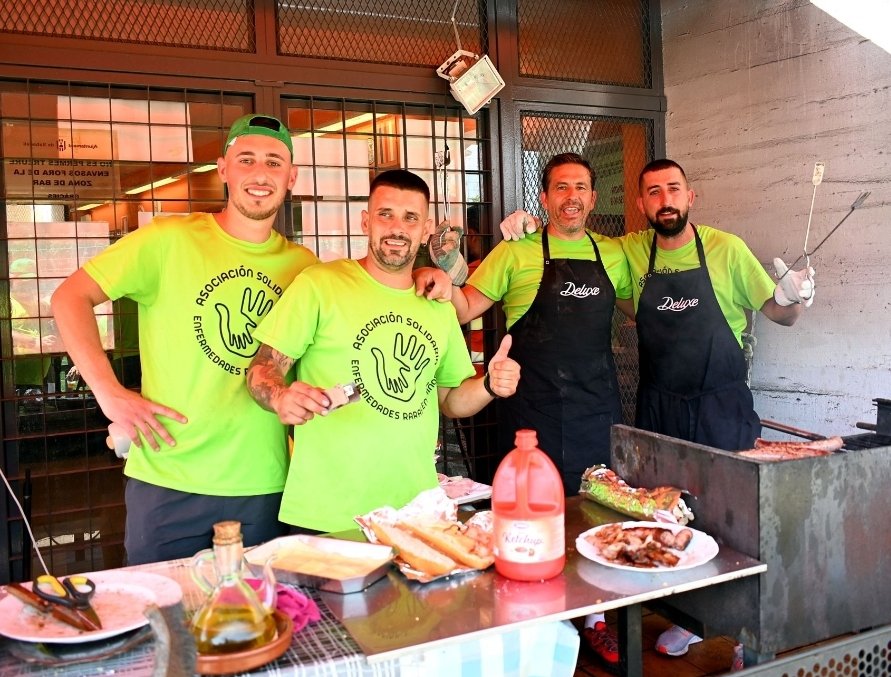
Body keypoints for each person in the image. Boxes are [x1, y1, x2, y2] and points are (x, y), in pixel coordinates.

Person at [499, 157, 815, 665]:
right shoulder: (627, 251)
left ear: (692, 197)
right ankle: (687, 618)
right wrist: (529, 227)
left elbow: (781, 313)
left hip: (720, 405)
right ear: (642, 204)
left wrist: (796, 297)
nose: (664, 200)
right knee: (672, 514)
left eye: (673, 189)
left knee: (739, 523)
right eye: (652, 192)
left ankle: (747, 640)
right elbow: (573, 238)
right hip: (659, 404)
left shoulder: (725, 249)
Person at [51, 114, 320, 565]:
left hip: (263, 485)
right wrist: (110, 394)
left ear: (291, 177)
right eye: (247, 159)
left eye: (274, 163)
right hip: (167, 480)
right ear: (223, 169)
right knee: (169, 623)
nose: (260, 173)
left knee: (248, 626)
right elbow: (70, 297)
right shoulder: (169, 239)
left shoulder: (304, 266)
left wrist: (437, 280)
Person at [245, 169, 520, 533]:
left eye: (410, 218)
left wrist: (489, 385)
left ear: (425, 231)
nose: (396, 228)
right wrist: (280, 396)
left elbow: (451, 399)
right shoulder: (319, 285)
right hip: (329, 514)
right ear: (365, 221)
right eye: (385, 214)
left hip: (415, 513)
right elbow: (262, 368)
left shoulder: (437, 305)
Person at [447, 153, 633, 671]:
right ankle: (535, 622)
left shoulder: (615, 254)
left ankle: (594, 619)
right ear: (545, 198)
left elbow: (642, 311)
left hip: (596, 407)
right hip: (534, 413)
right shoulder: (516, 253)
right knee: (533, 516)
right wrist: (438, 264)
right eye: (559, 187)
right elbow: (463, 307)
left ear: (593, 197)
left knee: (595, 516)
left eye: (580, 186)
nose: (571, 196)